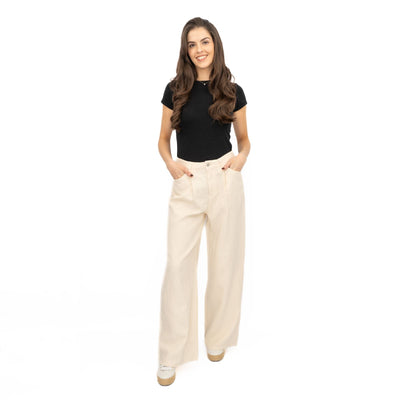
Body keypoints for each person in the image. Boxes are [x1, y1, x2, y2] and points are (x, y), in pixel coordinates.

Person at [157, 17, 251, 386]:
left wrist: (240, 160)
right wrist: (171, 165)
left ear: (215, 44)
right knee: (178, 267)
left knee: (225, 263)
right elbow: (162, 139)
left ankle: (218, 338)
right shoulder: (175, 90)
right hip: (188, 180)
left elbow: (244, 140)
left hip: (224, 178)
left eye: (205, 42)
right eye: (192, 44)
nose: (200, 50)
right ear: (186, 50)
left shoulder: (232, 90)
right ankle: (171, 354)